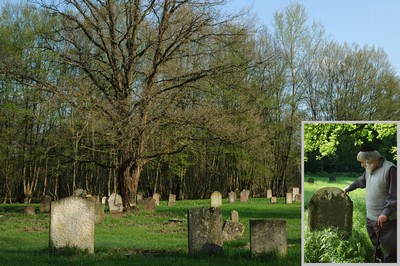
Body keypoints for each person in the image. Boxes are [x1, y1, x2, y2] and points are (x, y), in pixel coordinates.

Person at [343, 146, 397, 263]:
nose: (362, 165)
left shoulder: (390, 169)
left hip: (385, 220)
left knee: (389, 251)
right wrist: (348, 188)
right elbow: (360, 181)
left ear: (372, 159)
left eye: (363, 162)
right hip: (370, 218)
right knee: (376, 248)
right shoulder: (369, 169)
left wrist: (385, 213)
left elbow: (394, 195)